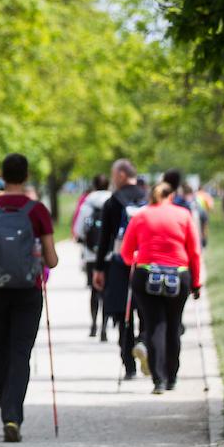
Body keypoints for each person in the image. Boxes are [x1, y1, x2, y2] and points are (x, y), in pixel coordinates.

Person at [0, 153, 59, 443]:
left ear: (2, 177)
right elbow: (52, 259)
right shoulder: (38, 210)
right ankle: (12, 414)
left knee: (2, 351)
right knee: (21, 353)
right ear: (27, 176)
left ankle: (6, 406)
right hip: (28, 291)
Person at [120, 182, 203, 394]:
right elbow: (194, 251)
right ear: (172, 195)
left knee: (155, 324)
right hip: (179, 274)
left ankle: (158, 380)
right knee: (174, 325)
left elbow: (126, 252)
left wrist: (135, 260)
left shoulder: (140, 216)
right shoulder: (183, 215)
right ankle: (172, 377)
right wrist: (196, 282)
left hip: (147, 274)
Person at [94, 159, 149, 381]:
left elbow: (105, 237)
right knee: (147, 311)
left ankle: (129, 366)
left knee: (122, 315)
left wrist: (98, 269)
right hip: (145, 263)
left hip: (118, 265)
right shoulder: (147, 197)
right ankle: (144, 343)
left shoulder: (113, 202)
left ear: (122, 175)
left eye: (114, 174)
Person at [72, 174, 113, 339]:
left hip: (91, 255)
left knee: (95, 291)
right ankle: (104, 327)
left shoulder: (87, 205)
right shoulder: (114, 202)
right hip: (109, 254)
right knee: (107, 291)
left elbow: (78, 230)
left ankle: (93, 325)